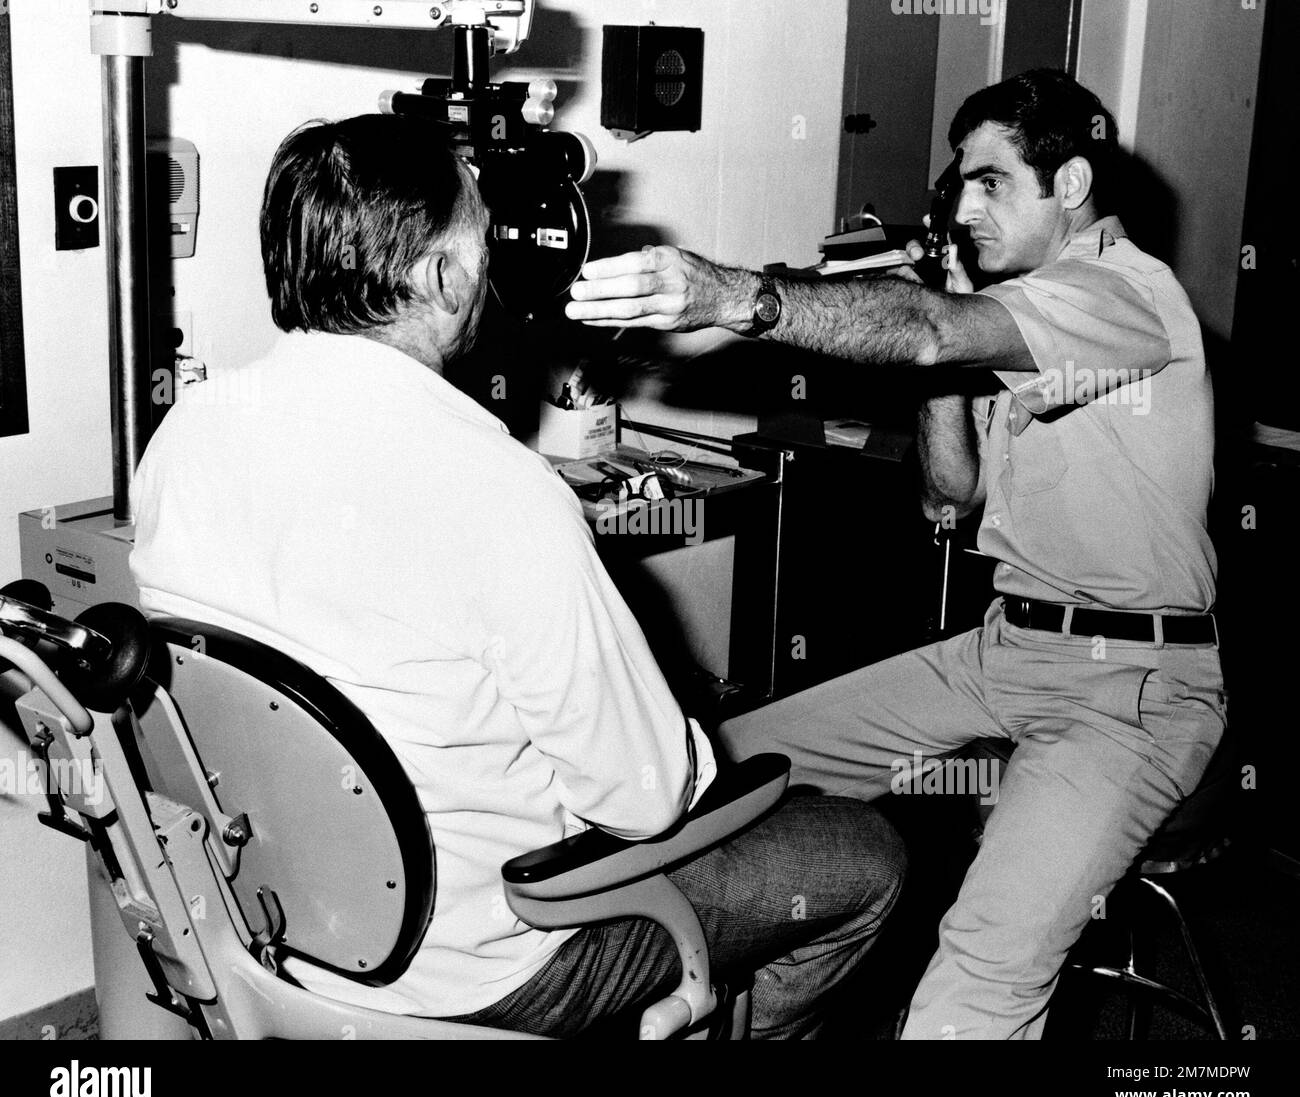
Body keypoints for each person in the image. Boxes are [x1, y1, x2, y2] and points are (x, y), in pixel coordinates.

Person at [128, 113, 905, 1039]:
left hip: (277, 935)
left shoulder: (183, 438)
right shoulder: (495, 486)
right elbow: (646, 799)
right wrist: (690, 754)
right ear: (445, 276)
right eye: (480, 240)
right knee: (867, 858)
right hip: (486, 968)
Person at [566, 68, 1227, 1039]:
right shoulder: (1023, 313)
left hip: (1131, 684)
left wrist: (734, 296)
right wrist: (952, 317)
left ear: (1072, 186)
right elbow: (948, 492)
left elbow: (921, 338)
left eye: (990, 182)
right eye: (959, 184)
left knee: (977, 981)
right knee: (715, 776)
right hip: (1005, 650)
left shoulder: (1123, 296)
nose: (962, 206)